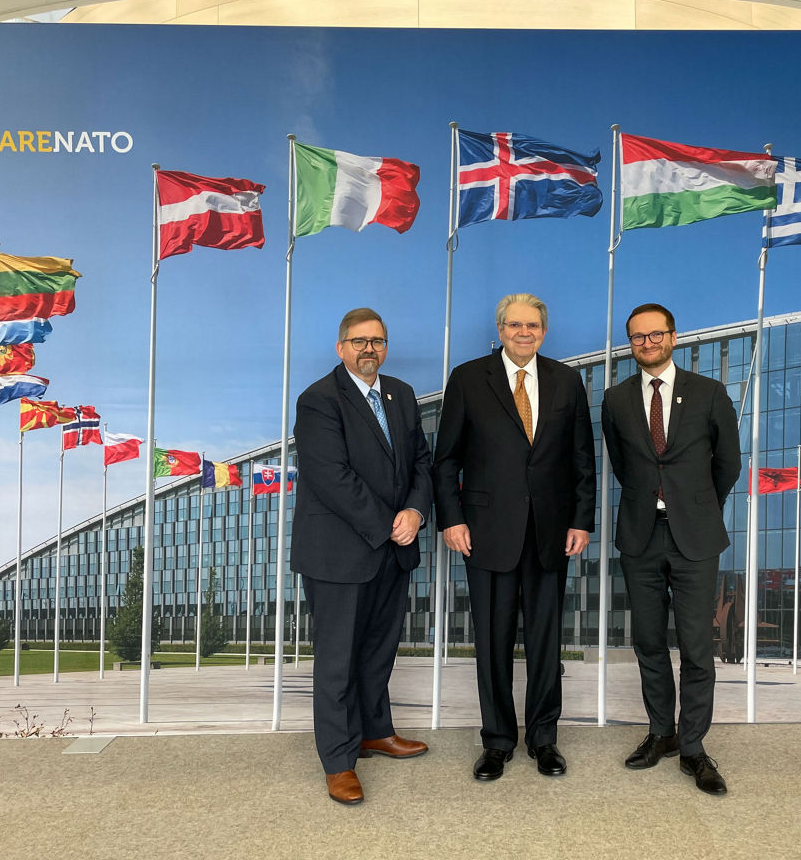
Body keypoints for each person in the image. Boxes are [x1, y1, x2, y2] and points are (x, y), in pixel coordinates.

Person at [433, 293, 596, 782]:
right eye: (514, 325)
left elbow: (582, 461)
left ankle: (544, 739)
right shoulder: (467, 378)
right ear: (500, 328)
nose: (524, 332)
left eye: (533, 325)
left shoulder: (567, 381)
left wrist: (581, 520)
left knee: (546, 643)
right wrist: (451, 519)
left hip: (551, 533)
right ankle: (498, 741)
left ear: (544, 330)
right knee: (493, 642)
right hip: (484, 534)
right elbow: (446, 460)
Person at [291, 307, 433, 806]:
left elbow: (420, 460)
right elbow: (331, 477)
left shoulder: (402, 394)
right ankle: (338, 760)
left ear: (386, 347)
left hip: (395, 548)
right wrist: (387, 526)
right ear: (341, 347)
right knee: (337, 662)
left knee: (377, 652)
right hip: (339, 553)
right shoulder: (318, 401)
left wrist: (415, 512)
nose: (368, 349)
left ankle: (375, 731)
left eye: (377, 341)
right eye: (358, 341)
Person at [600, 302, 742, 796]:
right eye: (638, 337)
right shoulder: (615, 399)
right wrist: (654, 501)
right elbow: (623, 464)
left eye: (656, 334)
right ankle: (661, 732)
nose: (648, 343)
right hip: (640, 535)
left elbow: (727, 463)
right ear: (631, 344)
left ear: (673, 337)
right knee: (648, 641)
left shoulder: (709, 393)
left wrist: (695, 505)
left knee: (698, 648)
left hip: (695, 536)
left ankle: (695, 746)